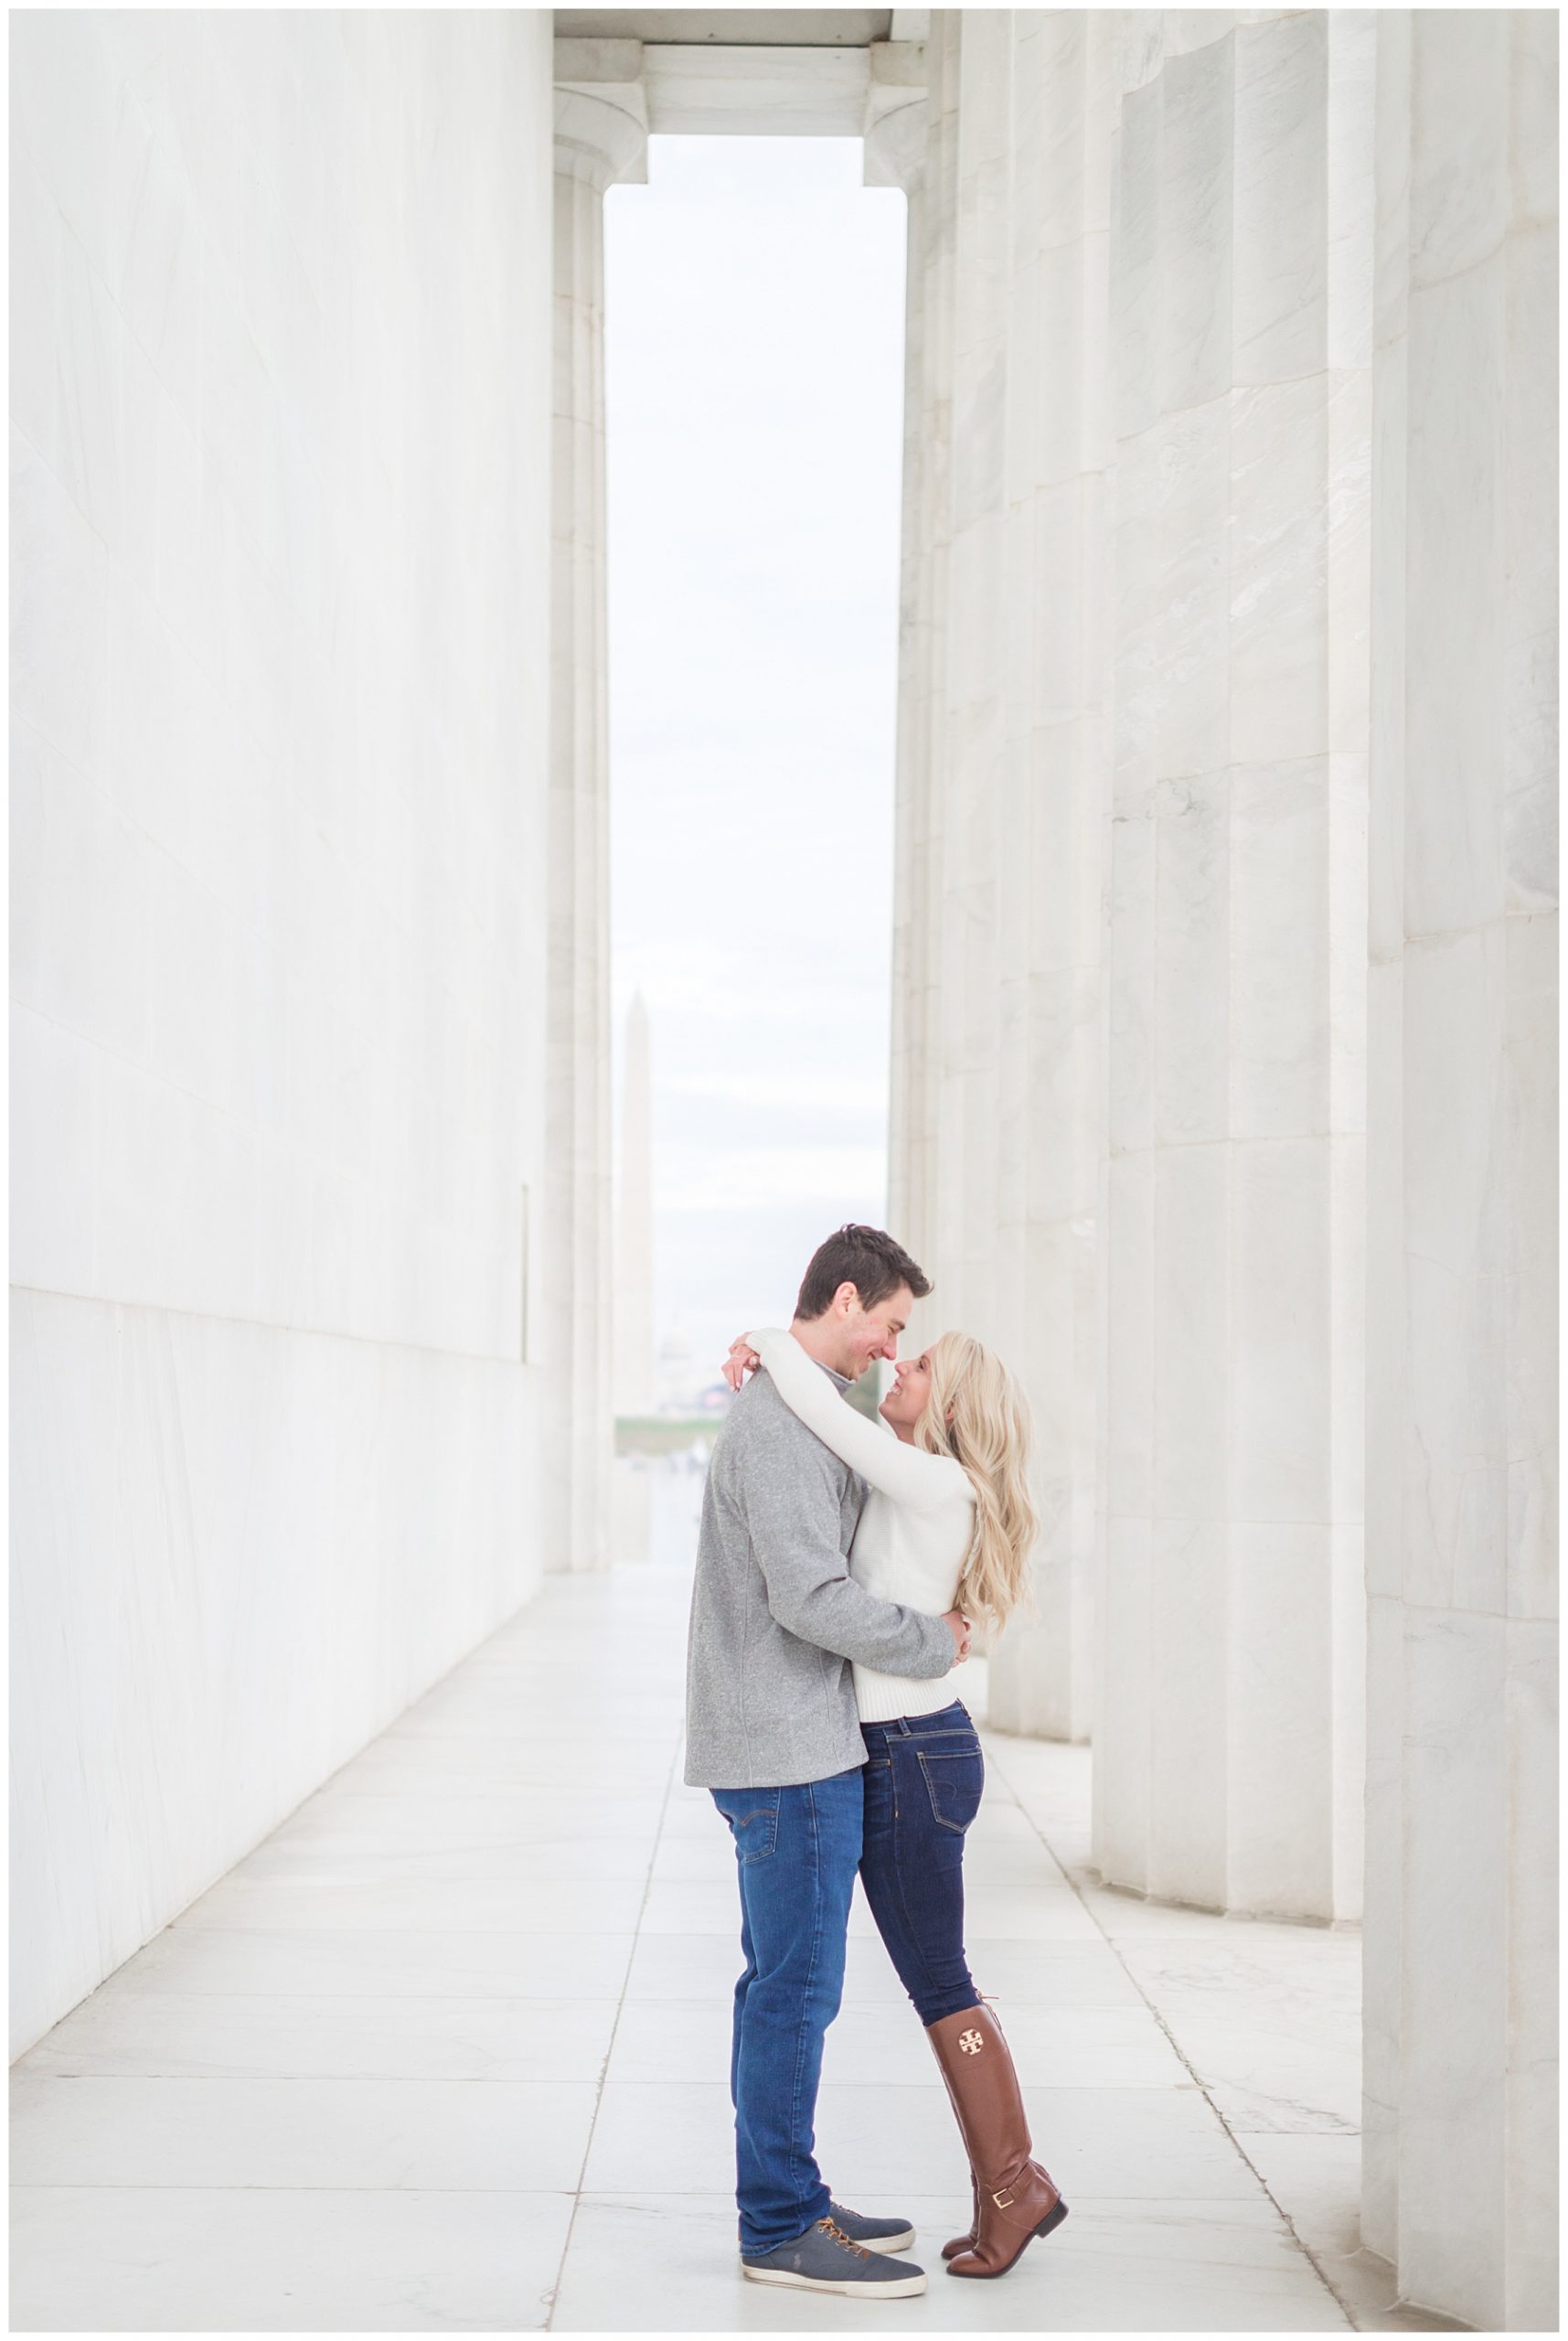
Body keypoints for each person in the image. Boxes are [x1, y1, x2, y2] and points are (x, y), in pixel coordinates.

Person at [721, 1312, 1069, 2282]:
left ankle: (1013, 2185)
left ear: (946, 1404)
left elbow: (829, 1426)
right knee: (933, 1977)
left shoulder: (932, 1477)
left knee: (939, 1980)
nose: (891, 1365)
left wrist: (768, 1344)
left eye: (910, 1362)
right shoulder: (918, 1477)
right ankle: (1009, 2184)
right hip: (900, 1750)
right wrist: (770, 1357)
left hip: (913, 1754)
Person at [684, 1224, 971, 2301]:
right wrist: (933, 1640)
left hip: (794, 1741)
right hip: (785, 1748)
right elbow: (809, 1598)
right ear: (846, 1300)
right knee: (795, 1991)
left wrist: (761, 1346)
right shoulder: (777, 1431)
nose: (892, 1350)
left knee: (782, 1986)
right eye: (890, 1325)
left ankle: (788, 2192)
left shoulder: (802, 1413)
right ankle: (779, 2223)